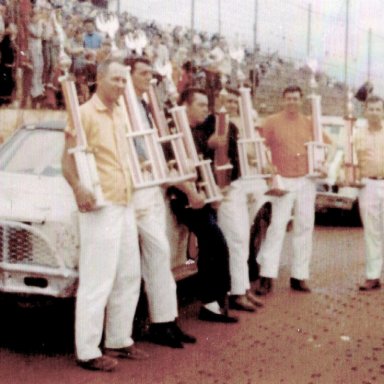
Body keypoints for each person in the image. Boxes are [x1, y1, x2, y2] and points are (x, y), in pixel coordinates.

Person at [62, 59, 147, 372]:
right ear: (99, 80)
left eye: (124, 81)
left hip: (124, 201)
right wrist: (78, 188)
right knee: (98, 279)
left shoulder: (122, 113)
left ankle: (118, 338)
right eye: (116, 80)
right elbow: (66, 161)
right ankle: (87, 350)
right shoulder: (83, 113)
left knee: (127, 273)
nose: (121, 86)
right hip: (100, 205)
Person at [127, 57, 197, 347]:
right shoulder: (122, 107)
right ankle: (157, 323)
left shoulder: (145, 107)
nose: (149, 79)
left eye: (150, 74)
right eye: (143, 74)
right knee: (153, 253)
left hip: (153, 185)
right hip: (135, 187)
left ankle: (165, 321)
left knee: (161, 255)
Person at [171, 87, 238, 323]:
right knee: (215, 245)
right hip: (186, 200)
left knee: (213, 248)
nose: (205, 111)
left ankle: (214, 303)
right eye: (200, 105)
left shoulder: (196, 133)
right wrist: (192, 194)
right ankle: (212, 304)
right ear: (186, 106)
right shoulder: (177, 133)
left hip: (201, 199)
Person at [256, 85, 330, 295]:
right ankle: (267, 275)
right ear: (283, 100)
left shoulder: (310, 122)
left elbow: (326, 146)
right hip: (284, 179)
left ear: (301, 100)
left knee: (305, 227)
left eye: (295, 99)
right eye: (288, 98)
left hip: (306, 180)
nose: (292, 102)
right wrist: (268, 167)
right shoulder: (271, 122)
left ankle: (299, 275)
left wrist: (323, 164)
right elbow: (261, 147)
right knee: (277, 226)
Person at [200, 87, 264, 312]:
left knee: (243, 238)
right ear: (216, 100)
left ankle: (243, 288)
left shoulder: (234, 127)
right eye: (225, 100)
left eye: (234, 102)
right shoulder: (208, 123)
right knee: (235, 239)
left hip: (235, 186)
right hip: (221, 189)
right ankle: (236, 292)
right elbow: (204, 151)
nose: (230, 105)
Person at [354, 95, 384, 291]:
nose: (374, 112)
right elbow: (350, 160)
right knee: (372, 232)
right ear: (365, 111)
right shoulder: (356, 134)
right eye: (371, 109)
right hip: (367, 185)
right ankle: (373, 276)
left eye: (378, 109)